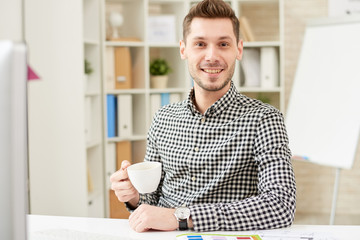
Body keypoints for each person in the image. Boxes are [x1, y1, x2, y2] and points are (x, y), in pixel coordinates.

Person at [110, 0, 296, 233]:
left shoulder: (265, 120)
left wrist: (182, 217)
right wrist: (134, 197)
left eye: (223, 44)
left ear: (238, 49)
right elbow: (153, 203)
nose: (211, 56)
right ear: (183, 49)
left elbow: (280, 205)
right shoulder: (163, 118)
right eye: (200, 44)